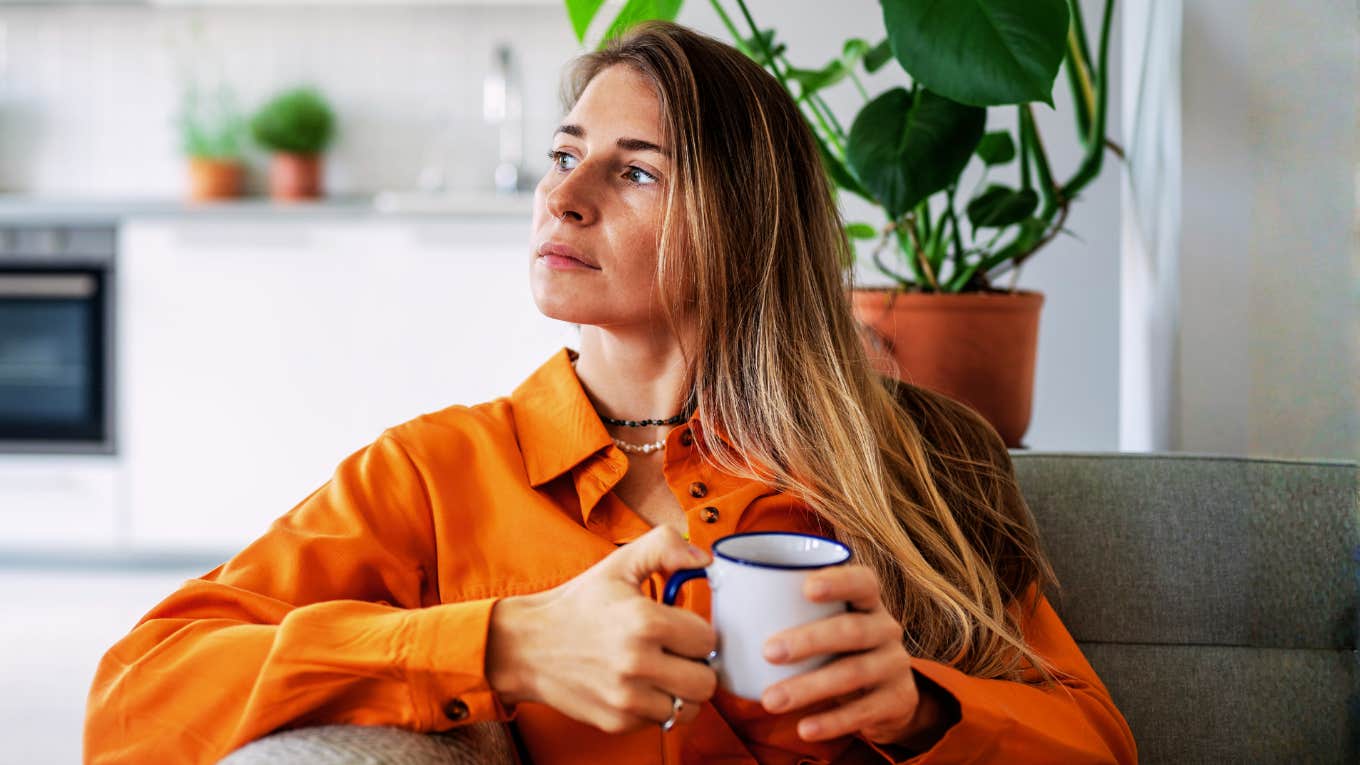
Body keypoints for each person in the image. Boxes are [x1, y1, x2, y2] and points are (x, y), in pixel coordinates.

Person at [84, 21, 1136, 765]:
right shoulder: (437, 474)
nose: (562, 196)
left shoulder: (908, 457)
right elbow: (136, 701)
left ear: (743, 223)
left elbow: (1095, 744)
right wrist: (498, 646)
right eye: (563, 155)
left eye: (632, 171)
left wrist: (920, 714)